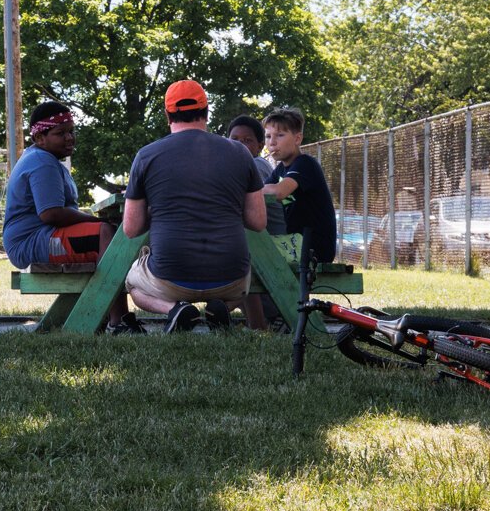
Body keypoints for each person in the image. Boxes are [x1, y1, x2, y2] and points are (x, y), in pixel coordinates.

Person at [122, 81, 267, 333]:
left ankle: (174, 309)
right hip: (231, 279)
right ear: (207, 111)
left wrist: (159, 211)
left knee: (133, 287)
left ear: (167, 114)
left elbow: (131, 229)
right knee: (241, 284)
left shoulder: (146, 155)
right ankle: (219, 306)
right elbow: (258, 222)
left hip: (168, 278)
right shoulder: (241, 154)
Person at [3, 100, 140, 334]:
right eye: (60, 133)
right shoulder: (41, 162)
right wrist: (95, 221)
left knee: (107, 231)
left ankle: (112, 316)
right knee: (105, 232)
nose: (69, 138)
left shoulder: (44, 159)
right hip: (31, 243)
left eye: (71, 132)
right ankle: (119, 321)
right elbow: (51, 213)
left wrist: (92, 220)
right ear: (40, 138)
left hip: (41, 237)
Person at [262, 107, 337, 266]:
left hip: (314, 248)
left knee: (250, 251)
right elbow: (262, 188)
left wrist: (250, 192)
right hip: (296, 242)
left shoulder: (305, 164)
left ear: (297, 139)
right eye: (268, 136)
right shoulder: (280, 169)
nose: (272, 142)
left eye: (280, 135)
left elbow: (278, 192)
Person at [225, 114, 283, 235]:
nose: (239, 144)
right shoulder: (239, 166)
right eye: (234, 139)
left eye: (247, 140)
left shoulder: (257, 165)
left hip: (274, 241)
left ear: (260, 146)